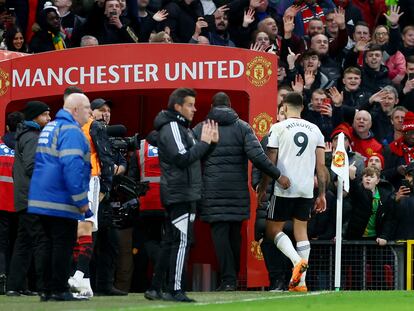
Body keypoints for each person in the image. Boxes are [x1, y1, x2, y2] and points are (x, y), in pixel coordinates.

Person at [194, 92, 282, 291]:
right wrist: (278, 175)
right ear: (230, 105)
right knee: (235, 235)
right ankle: (232, 279)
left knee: (220, 236)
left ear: (212, 106)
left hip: (213, 192)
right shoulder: (242, 127)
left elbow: (190, 155)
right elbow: (258, 158)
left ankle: (228, 280)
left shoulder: (202, 128)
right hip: (237, 193)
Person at [150, 88, 218, 302]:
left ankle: (155, 287)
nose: (194, 109)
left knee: (171, 241)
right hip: (180, 193)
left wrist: (210, 145)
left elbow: (194, 158)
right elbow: (182, 158)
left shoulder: (181, 127)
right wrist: (205, 143)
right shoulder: (172, 127)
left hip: (184, 192)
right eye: (190, 105)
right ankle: (175, 289)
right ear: (178, 106)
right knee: (180, 242)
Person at [257, 91, 328, 293]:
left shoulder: (278, 127)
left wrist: (263, 187)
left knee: (272, 230)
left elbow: (270, 159)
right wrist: (321, 194)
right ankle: (300, 283)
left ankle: (297, 261)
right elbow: (321, 167)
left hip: (285, 187)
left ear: (285, 108)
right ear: (303, 108)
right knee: (301, 232)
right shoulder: (315, 130)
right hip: (306, 188)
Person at [27, 93, 92, 301]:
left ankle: (46, 289)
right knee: (62, 245)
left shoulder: (51, 127)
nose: (90, 112)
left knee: (46, 244)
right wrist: (81, 200)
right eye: (87, 108)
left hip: (41, 197)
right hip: (60, 199)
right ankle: (58, 289)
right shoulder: (71, 130)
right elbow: (72, 166)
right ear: (75, 110)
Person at [67, 90, 114, 298]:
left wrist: (105, 187)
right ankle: (82, 281)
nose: (103, 114)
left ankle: (79, 277)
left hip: (90, 180)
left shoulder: (93, 127)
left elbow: (106, 158)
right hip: (77, 181)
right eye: (98, 109)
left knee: (86, 228)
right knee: (81, 229)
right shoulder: (75, 126)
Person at [6, 101, 51, 297]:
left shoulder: (24, 136)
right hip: (32, 198)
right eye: (46, 115)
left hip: (24, 198)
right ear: (35, 117)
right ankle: (45, 286)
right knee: (42, 240)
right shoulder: (33, 137)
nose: (49, 119)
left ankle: (15, 286)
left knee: (23, 242)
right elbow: (33, 167)